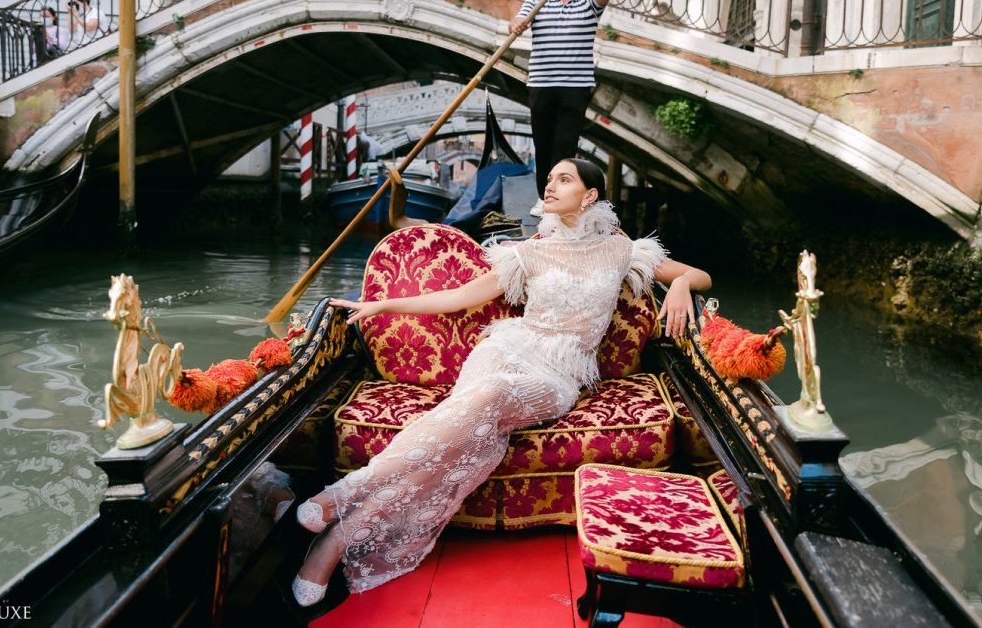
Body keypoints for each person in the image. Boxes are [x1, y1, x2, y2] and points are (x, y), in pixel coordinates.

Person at [291, 157, 711, 608]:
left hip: (560, 373)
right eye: (549, 180)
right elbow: (462, 295)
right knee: (470, 427)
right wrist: (383, 305)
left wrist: (681, 285)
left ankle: (341, 501)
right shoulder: (530, 251)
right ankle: (332, 541)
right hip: (505, 349)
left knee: (482, 408)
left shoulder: (621, 250)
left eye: (564, 180)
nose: (550, 187)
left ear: (590, 195)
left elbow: (700, 275)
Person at [509, 0, 614, 218]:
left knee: (565, 148)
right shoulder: (537, 1)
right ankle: (543, 198)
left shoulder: (589, 4)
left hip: (575, 87)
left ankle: (561, 200)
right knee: (542, 145)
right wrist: (517, 24)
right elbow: (517, 21)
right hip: (541, 84)